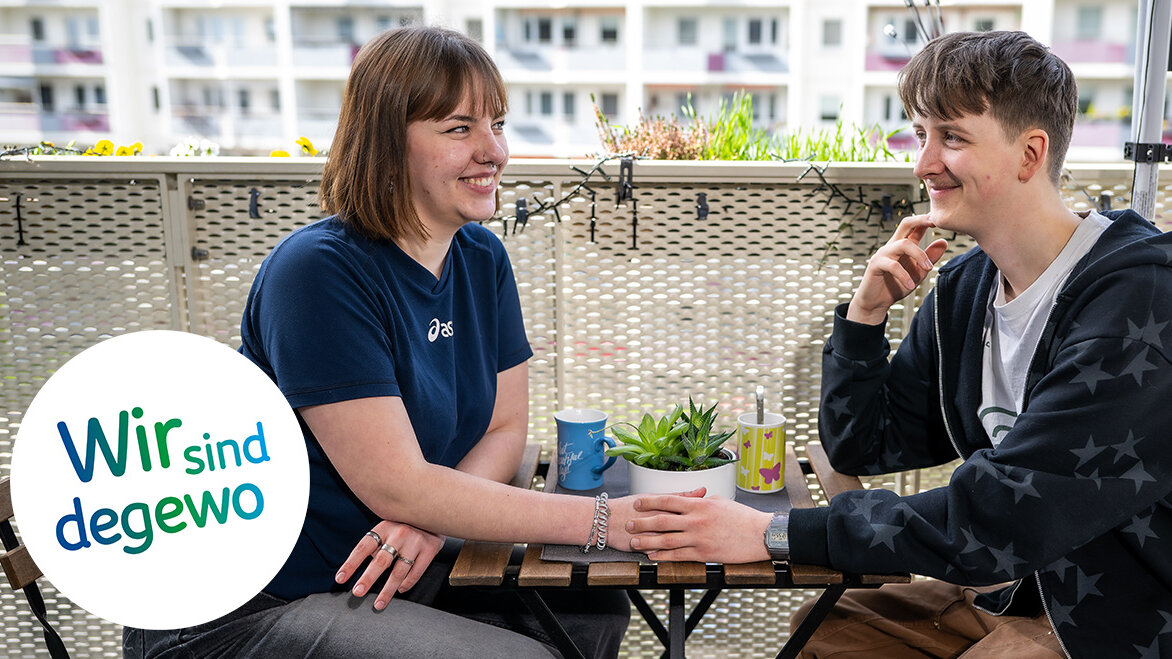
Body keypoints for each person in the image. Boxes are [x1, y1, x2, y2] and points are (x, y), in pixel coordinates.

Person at [626, 30, 1172, 658]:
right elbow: (866, 443)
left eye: (954, 137)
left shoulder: (1139, 297)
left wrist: (775, 533)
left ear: (1030, 154)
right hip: (1004, 595)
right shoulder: (965, 291)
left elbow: (1003, 514)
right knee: (824, 633)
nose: (924, 164)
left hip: (1114, 622)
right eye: (921, 135)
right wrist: (864, 317)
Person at [123, 26, 640, 659]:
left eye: (496, 124)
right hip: (245, 607)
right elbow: (394, 485)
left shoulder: (482, 258)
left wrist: (427, 514)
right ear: (386, 145)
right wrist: (605, 521)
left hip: (383, 569)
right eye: (458, 129)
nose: (494, 151)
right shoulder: (317, 272)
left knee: (593, 604)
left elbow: (505, 430)